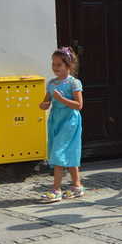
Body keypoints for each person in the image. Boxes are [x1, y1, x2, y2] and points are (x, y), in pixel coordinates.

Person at [38, 47, 84, 203]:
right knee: (68, 151)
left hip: (70, 121)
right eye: (53, 64)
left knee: (58, 153)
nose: (55, 67)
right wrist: (44, 104)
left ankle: (56, 189)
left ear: (68, 65)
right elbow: (47, 101)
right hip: (56, 121)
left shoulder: (73, 83)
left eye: (59, 65)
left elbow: (79, 105)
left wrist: (63, 99)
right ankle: (77, 186)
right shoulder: (51, 83)